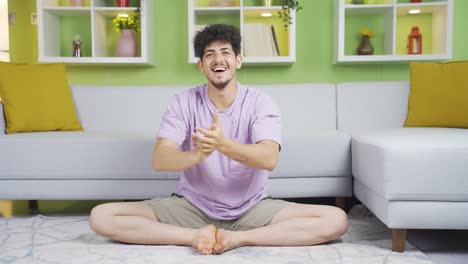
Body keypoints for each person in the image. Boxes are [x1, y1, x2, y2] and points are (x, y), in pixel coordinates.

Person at [89, 24, 348, 255]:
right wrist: (197, 155)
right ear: (201, 65)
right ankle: (194, 237)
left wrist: (222, 145)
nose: (218, 59)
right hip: (192, 208)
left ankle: (238, 239)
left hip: (251, 209)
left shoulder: (260, 102)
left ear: (238, 60)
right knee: (101, 217)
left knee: (336, 220)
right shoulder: (183, 102)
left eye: (225, 52)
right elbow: (160, 159)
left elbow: (269, 158)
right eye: (209, 54)